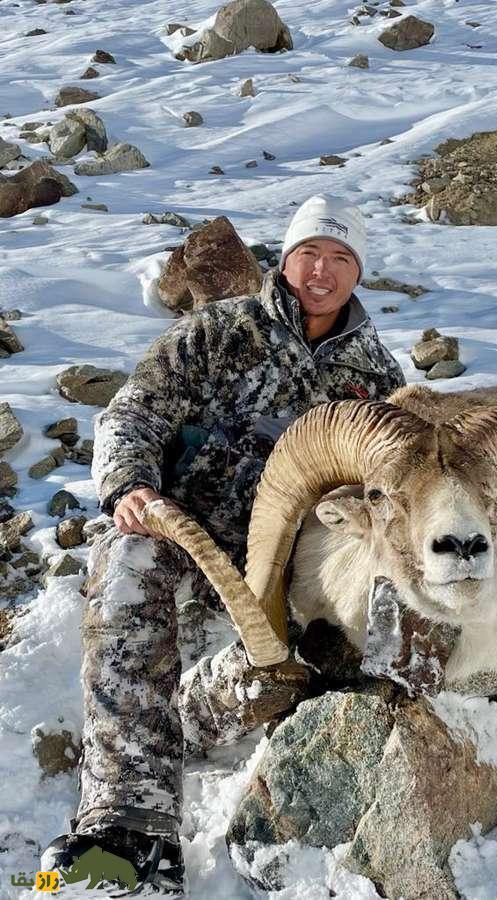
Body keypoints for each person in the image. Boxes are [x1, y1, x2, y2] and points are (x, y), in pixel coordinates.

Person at [40, 195, 406, 894]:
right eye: (308, 253)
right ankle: (125, 823)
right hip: (188, 528)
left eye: (339, 258)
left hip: (284, 566)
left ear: (357, 271)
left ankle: (166, 727)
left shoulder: (377, 380)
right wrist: (132, 486)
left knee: (289, 672)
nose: (320, 271)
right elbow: (135, 409)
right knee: (126, 560)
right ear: (285, 257)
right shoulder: (221, 331)